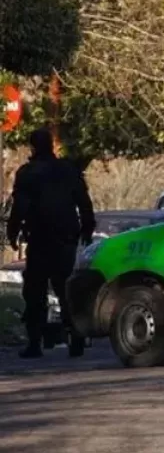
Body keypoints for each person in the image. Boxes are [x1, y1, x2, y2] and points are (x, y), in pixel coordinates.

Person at [6, 127, 96, 359]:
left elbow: (20, 207)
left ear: (33, 146)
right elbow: (83, 201)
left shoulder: (29, 173)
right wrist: (87, 226)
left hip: (41, 238)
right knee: (64, 287)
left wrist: (13, 231)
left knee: (36, 291)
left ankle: (36, 341)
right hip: (63, 237)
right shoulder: (67, 170)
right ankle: (74, 335)